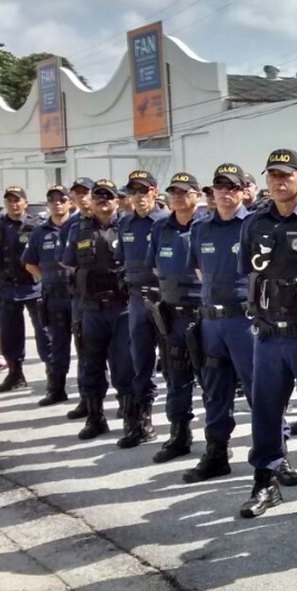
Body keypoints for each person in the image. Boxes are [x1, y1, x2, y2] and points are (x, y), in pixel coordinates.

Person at [234, 151, 297, 511]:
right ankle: (264, 483)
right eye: (272, 175)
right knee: (266, 412)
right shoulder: (254, 224)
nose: (278, 181)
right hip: (269, 335)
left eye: (286, 175)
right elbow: (248, 271)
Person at [183, 164, 265, 515]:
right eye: (219, 187)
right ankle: (216, 452)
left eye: (232, 187)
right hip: (211, 322)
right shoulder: (200, 228)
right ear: (212, 192)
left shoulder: (254, 226)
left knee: (261, 392)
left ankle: (274, 460)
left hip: (243, 321)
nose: (225, 193)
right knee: (214, 390)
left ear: (245, 191)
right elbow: (199, 269)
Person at [60, 179, 133, 441]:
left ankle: (129, 415)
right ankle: (95, 417)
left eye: (108, 196)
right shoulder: (77, 229)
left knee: (124, 364)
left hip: (121, 307)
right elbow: (68, 265)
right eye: (98, 195)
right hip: (90, 308)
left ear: (117, 200)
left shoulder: (128, 225)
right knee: (91, 365)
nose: (103, 200)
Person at [146, 172, 205, 463]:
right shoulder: (160, 228)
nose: (178, 197)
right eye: (174, 192)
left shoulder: (207, 225)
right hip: (172, 316)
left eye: (184, 192)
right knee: (176, 377)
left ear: (197, 195)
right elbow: (155, 268)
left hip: (203, 315)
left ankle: (218, 441)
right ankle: (179, 434)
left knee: (211, 380)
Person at [116, 170, 170, 448]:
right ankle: (143, 420)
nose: (138, 196)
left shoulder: (166, 222)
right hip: (137, 299)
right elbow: (121, 261)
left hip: (166, 299)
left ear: (154, 192)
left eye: (143, 190)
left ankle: (180, 426)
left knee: (174, 362)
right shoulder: (125, 224)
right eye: (133, 191)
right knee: (141, 361)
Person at [0, 185, 51, 392]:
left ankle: (53, 375)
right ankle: (15, 374)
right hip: (8, 289)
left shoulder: (37, 227)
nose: (14, 204)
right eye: (10, 200)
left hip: (33, 288)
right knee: (9, 335)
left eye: (17, 200)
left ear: (25, 202)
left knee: (44, 333)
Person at [22, 185, 74, 406]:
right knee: (56, 344)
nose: (57, 203)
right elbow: (29, 263)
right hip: (54, 296)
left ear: (69, 202)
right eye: (52, 200)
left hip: (79, 295)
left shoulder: (78, 227)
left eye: (62, 199)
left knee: (89, 346)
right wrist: (46, 278)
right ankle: (56, 388)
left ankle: (91, 396)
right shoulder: (39, 232)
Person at [62, 178, 97, 421]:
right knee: (85, 353)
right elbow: (64, 260)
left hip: (113, 300)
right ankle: (88, 403)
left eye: (86, 193)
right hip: (82, 298)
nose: (82, 197)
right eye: (77, 194)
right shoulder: (72, 225)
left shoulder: (117, 221)